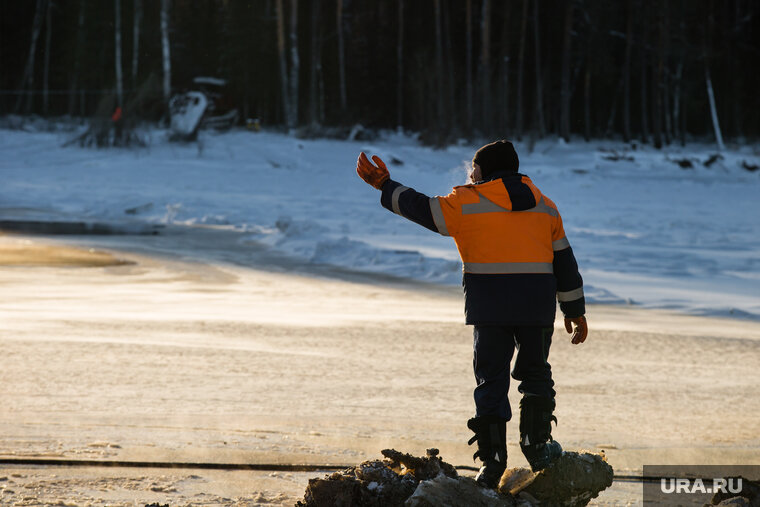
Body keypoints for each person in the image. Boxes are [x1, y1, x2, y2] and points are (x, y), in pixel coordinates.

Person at [355, 140, 588, 488]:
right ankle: (537, 447)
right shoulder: (545, 206)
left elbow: (423, 209)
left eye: (474, 168)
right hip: (537, 309)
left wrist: (385, 186)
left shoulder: (467, 202)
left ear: (485, 171)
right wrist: (574, 309)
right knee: (536, 374)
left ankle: (493, 463)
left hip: (490, 307)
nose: (469, 173)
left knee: (491, 379)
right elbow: (565, 263)